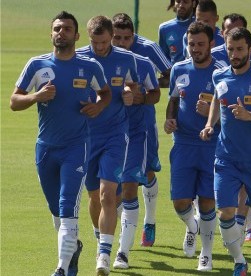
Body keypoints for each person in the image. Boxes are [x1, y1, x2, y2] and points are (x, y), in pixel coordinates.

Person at [10, 11, 111, 276]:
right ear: (51, 33)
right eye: (57, 28)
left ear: (76, 36)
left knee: (68, 207)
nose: (61, 32)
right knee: (56, 210)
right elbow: (13, 102)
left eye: (67, 29)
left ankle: (62, 268)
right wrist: (36, 96)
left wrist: (98, 107)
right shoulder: (36, 65)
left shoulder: (90, 67)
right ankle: (73, 248)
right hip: (45, 148)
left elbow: (106, 93)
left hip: (76, 147)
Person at [200, 27, 251, 276]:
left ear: (250, 49)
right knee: (225, 211)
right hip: (226, 157)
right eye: (230, 49)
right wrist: (209, 124)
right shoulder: (219, 76)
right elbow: (218, 98)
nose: (234, 54)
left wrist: (250, 116)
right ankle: (239, 261)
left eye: (239, 49)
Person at [77, 15, 139, 276]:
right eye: (94, 42)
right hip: (85, 136)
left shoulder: (126, 59)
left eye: (104, 42)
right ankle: (101, 235)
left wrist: (128, 92)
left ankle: (103, 255)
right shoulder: (79, 58)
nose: (99, 48)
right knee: (94, 197)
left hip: (115, 134)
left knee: (107, 194)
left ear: (112, 36)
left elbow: (134, 87)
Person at [164, 21, 223, 271]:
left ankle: (206, 254)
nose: (195, 49)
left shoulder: (222, 72)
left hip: (212, 144)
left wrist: (210, 113)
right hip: (184, 144)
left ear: (211, 44)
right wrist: (169, 119)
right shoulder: (179, 69)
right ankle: (192, 226)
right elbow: (174, 100)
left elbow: (230, 107)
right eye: (191, 44)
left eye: (200, 44)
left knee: (208, 201)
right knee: (180, 202)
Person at [111, 18, 161, 270]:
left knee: (132, 185)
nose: (121, 43)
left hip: (138, 132)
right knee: (109, 193)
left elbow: (157, 91)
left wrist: (141, 98)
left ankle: (123, 252)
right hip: (107, 136)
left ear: (134, 38)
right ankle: (109, 240)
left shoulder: (143, 61)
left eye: (126, 38)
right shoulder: (96, 62)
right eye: (116, 38)